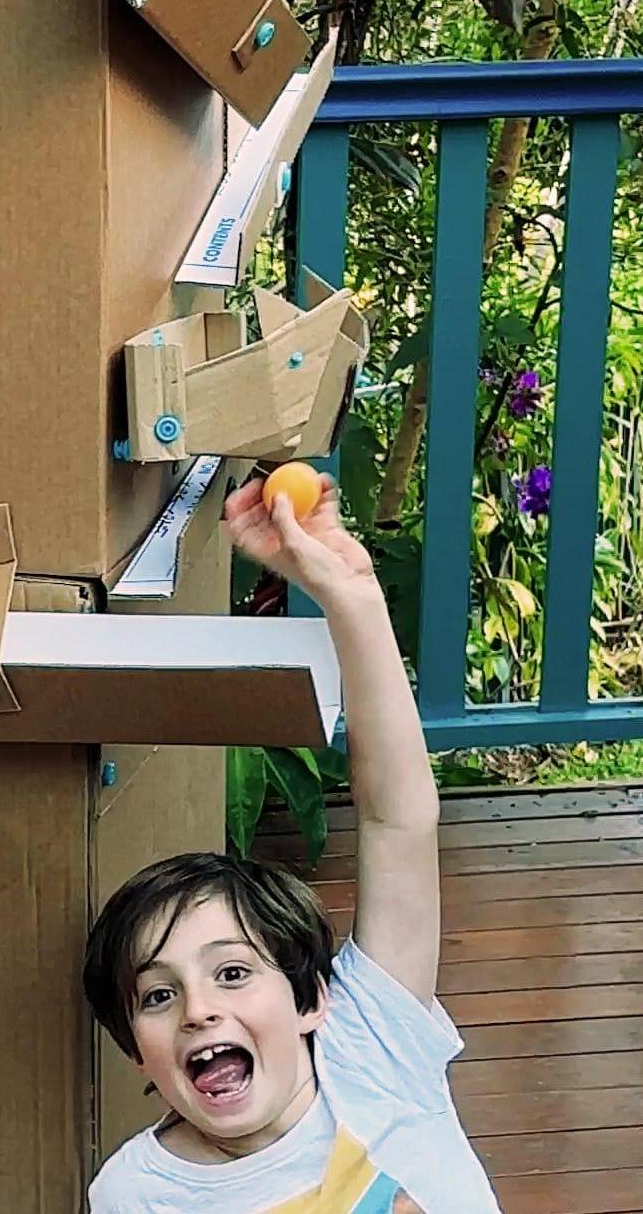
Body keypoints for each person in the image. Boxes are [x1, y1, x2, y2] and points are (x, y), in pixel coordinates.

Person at [83, 475, 501, 1211]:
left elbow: (396, 818)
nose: (199, 1009)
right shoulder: (136, 1193)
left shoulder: (371, 1046)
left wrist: (349, 593)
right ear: (134, 1047)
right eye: (156, 993)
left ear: (312, 996)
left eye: (234, 973)